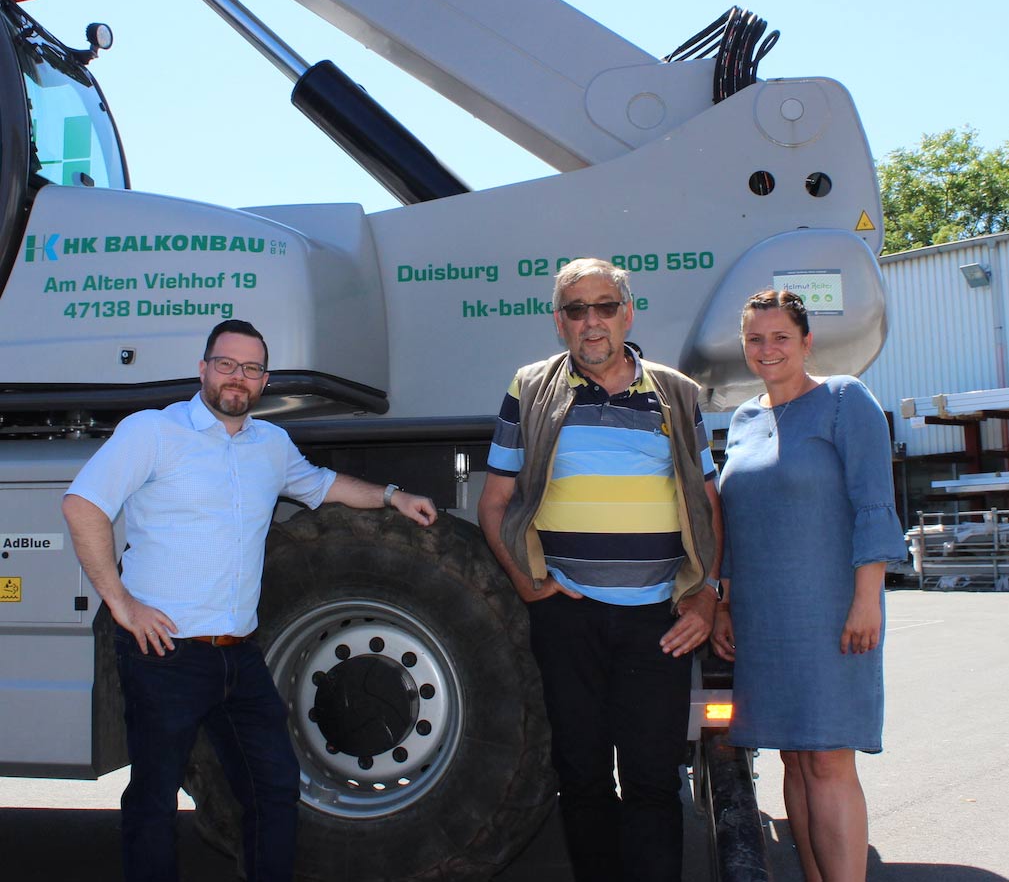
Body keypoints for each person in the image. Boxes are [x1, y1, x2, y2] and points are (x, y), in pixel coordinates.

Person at [62, 319, 437, 882]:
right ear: (203, 369)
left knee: (274, 788)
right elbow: (83, 505)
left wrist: (392, 496)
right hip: (164, 654)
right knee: (154, 801)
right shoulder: (153, 432)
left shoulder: (271, 445)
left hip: (238, 656)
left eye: (252, 368)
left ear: (264, 381)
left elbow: (322, 485)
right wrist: (121, 604)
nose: (238, 377)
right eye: (227, 364)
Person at [478, 258, 722, 882]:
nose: (592, 321)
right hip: (568, 617)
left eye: (605, 306)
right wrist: (529, 584)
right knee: (582, 777)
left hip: (658, 621)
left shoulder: (676, 393)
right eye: (576, 309)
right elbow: (495, 502)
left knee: (653, 782)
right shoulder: (530, 388)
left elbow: (707, 502)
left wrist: (707, 595)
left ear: (628, 314)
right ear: (558, 322)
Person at [712, 290, 906, 882]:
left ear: (806, 342)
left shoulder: (845, 400)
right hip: (762, 618)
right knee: (794, 759)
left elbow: (874, 503)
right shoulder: (743, 420)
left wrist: (867, 599)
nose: (767, 349)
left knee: (827, 759)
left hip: (831, 613)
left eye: (780, 338)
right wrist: (724, 603)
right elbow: (733, 524)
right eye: (755, 339)